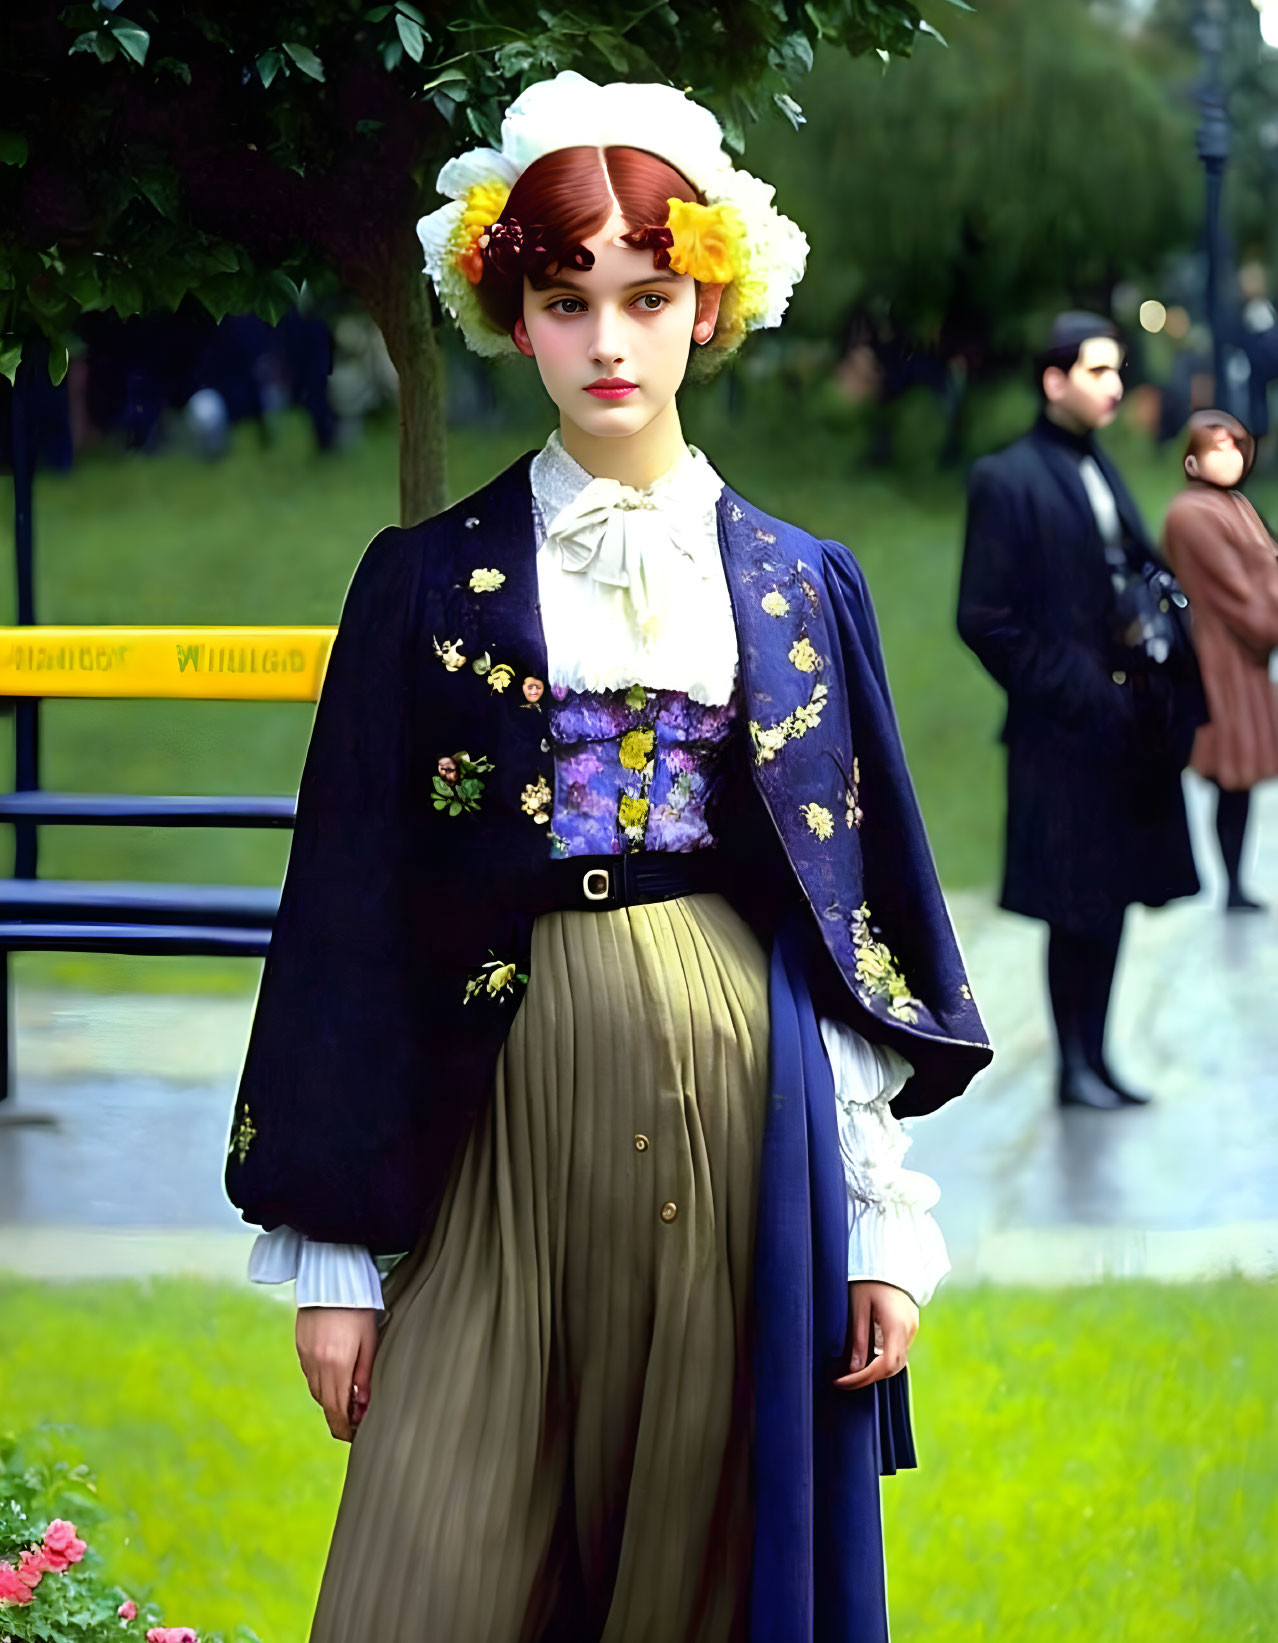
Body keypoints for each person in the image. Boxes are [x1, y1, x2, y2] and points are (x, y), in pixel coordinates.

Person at [226, 72, 990, 1643]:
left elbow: (838, 908)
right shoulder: (422, 580)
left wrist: (877, 1221)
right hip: (488, 1122)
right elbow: (349, 908)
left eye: (648, 297)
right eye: (567, 301)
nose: (609, 341)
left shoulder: (800, 585)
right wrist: (329, 1253)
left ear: (709, 305)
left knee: (698, 1586)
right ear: (510, 313)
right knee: (412, 1586)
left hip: (740, 1113)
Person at [957, 312, 1203, 1111]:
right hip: (1064, 730)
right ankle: (1072, 1066)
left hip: (1127, 727)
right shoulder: (1008, 478)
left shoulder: (1100, 465)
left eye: (1117, 371)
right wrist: (1074, 687)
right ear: (1053, 380)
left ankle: (1098, 1055)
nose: (1115, 386)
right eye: (1098, 371)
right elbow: (986, 617)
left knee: (1115, 892)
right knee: (1076, 902)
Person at [1162, 409, 1278, 911]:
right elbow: (1236, 589)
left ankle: (1235, 882)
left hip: (1243, 658)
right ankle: (1228, 883)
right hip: (1218, 657)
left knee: (1242, 775)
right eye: (1216, 448)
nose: (1229, 457)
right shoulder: (1192, 515)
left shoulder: (1234, 507)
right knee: (1229, 770)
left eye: (1235, 446)